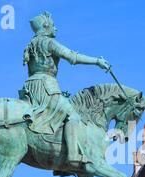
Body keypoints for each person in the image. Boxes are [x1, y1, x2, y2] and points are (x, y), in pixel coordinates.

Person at [20, 11, 111, 165]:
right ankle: (73, 154)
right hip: (47, 86)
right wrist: (96, 61)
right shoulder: (49, 43)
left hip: (30, 87)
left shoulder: (30, 45)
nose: (56, 29)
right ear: (46, 26)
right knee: (73, 116)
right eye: (53, 25)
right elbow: (72, 57)